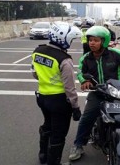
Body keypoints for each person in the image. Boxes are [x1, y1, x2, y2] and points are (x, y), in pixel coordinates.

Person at [69, 26, 120, 165]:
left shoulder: (115, 54)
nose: (92, 43)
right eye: (90, 40)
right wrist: (85, 81)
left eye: (96, 40)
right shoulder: (86, 58)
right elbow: (81, 73)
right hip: (98, 92)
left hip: (119, 91)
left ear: (104, 41)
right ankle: (78, 145)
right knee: (87, 117)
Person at [31, 22, 82, 165]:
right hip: (59, 102)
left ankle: (43, 156)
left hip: (42, 97)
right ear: (63, 38)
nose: (71, 42)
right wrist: (76, 107)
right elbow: (70, 88)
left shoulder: (37, 51)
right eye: (71, 39)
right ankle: (53, 162)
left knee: (47, 125)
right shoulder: (64, 59)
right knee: (58, 133)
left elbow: (35, 74)